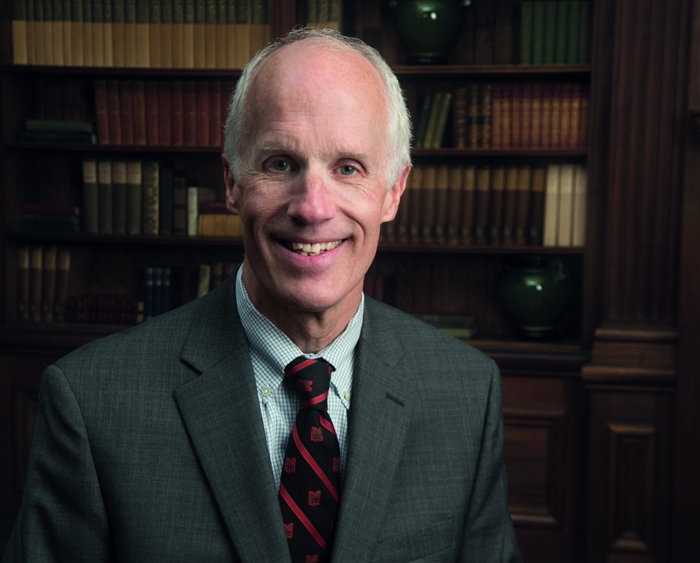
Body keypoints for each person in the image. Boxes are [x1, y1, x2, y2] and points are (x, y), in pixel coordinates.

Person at [4, 29, 521, 563]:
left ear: (393, 191)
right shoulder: (92, 400)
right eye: (280, 164)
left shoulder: (467, 394)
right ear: (231, 183)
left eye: (348, 169)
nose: (313, 208)